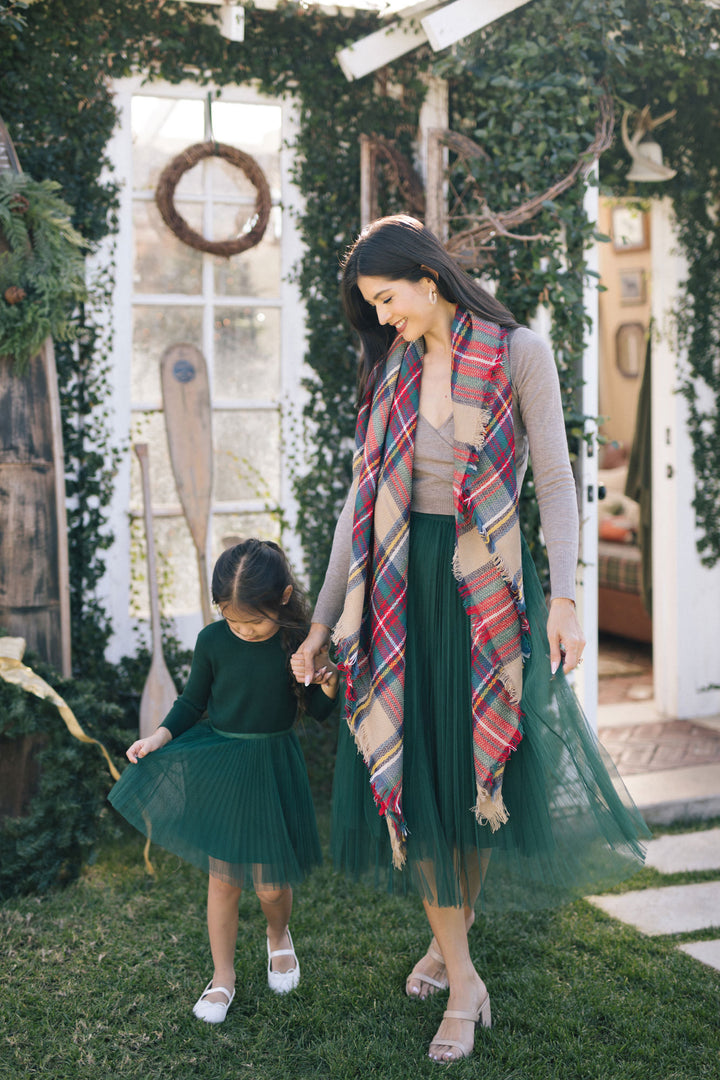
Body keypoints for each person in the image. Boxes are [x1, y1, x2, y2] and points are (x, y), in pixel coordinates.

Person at [291, 216, 648, 1063]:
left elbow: (555, 480)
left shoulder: (520, 353)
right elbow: (356, 508)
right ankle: (462, 977)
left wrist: (567, 599)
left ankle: (451, 941)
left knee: (472, 777)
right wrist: (320, 622)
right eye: (373, 307)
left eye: (388, 299)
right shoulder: (391, 368)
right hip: (397, 593)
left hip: (486, 590)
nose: (383, 318)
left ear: (428, 277)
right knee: (416, 783)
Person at [109, 539, 339, 1024]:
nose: (244, 631)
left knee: (271, 886)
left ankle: (278, 935)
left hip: (273, 766)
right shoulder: (213, 641)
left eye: (254, 622)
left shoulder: (297, 640)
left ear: (283, 597)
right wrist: (159, 736)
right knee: (224, 880)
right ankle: (222, 975)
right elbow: (193, 702)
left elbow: (320, 710)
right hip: (223, 766)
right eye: (233, 621)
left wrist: (328, 680)